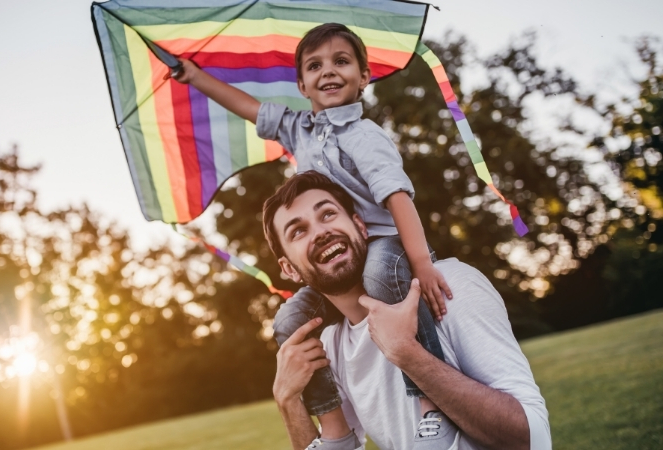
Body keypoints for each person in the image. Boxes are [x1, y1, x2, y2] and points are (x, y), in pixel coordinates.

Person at [173, 23, 455, 445]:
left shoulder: (365, 137)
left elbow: (399, 200)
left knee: (379, 276)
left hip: (384, 247)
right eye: (315, 65)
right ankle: (336, 425)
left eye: (342, 62)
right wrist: (194, 76)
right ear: (301, 83)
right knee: (289, 320)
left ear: (364, 76)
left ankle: (432, 404)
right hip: (337, 259)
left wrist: (422, 265)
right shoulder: (297, 129)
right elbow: (248, 107)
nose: (329, 72)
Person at [262, 171, 551, 450]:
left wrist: (407, 353)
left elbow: (531, 440)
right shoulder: (329, 348)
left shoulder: (448, 286)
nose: (321, 232)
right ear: (289, 269)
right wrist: (288, 403)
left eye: (327, 214)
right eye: (299, 231)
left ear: (361, 227)